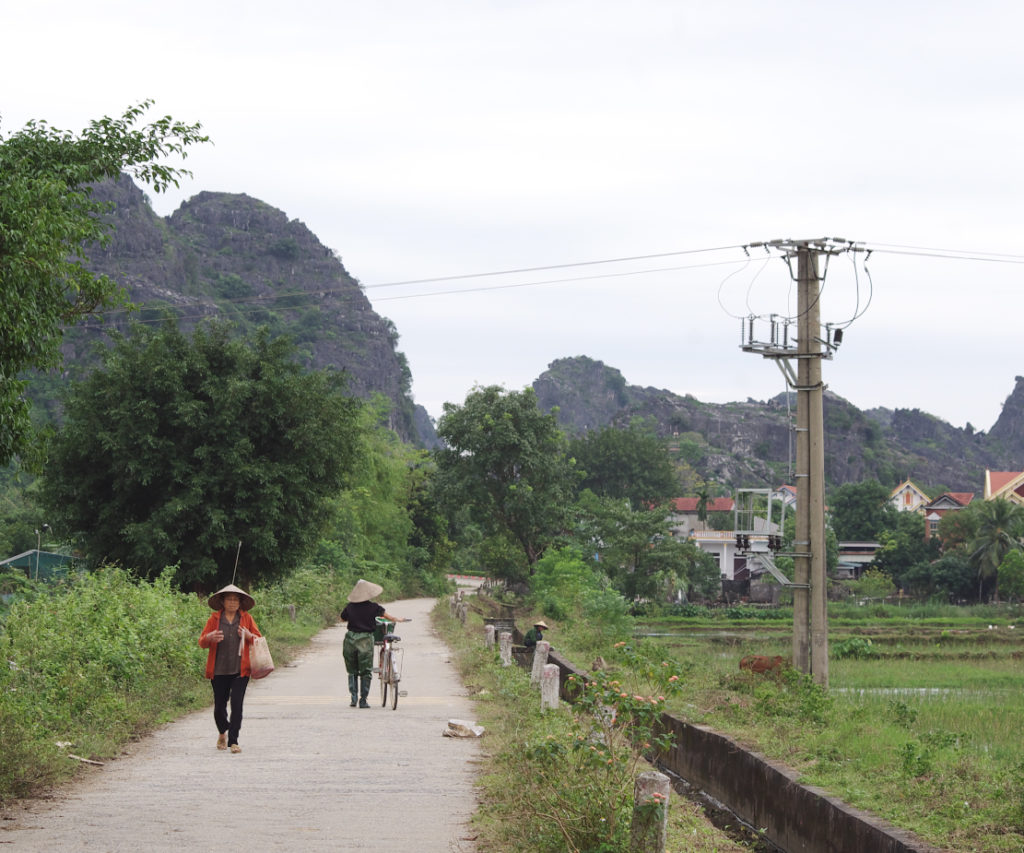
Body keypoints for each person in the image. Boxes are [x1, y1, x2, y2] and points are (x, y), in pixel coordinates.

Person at [198, 583, 262, 753]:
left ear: (240, 603)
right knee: (219, 706)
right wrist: (210, 637)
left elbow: (258, 639)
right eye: (229, 599)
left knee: (237, 704)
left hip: (240, 670)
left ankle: (233, 741)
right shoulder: (214, 620)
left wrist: (249, 635)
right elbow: (202, 642)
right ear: (223, 602)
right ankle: (222, 732)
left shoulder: (247, 618)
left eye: (235, 600)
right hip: (218, 669)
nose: (232, 603)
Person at [340, 578, 407, 708]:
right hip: (365, 639)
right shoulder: (374, 607)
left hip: (350, 639)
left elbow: (342, 618)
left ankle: (353, 698)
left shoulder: (349, 607)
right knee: (366, 671)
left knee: (352, 670)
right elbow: (389, 617)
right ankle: (363, 700)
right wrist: (398, 619)